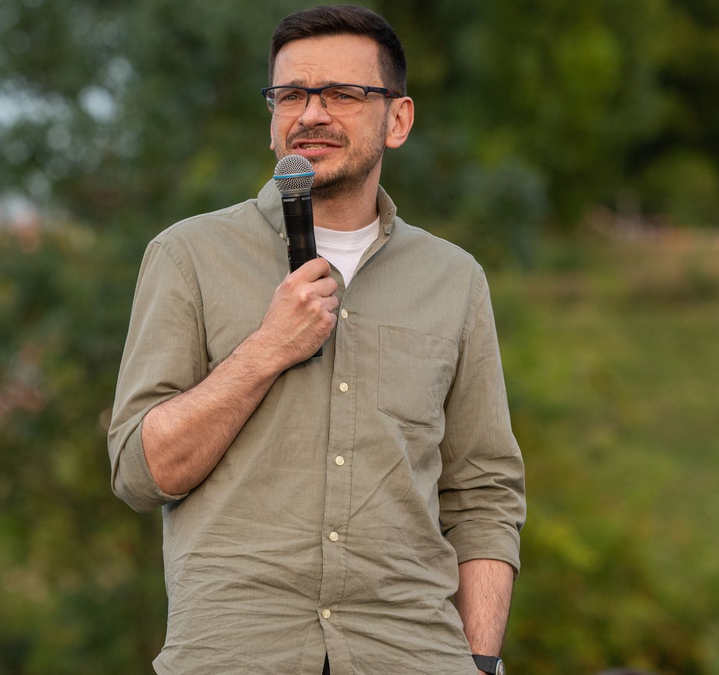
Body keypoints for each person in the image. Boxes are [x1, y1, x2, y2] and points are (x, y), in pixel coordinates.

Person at [107, 5, 525, 675]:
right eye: (292, 95)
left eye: (341, 94)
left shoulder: (454, 279)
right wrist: (268, 347)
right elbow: (140, 471)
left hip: (412, 654)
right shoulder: (188, 256)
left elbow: (484, 492)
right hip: (236, 655)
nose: (311, 114)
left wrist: (478, 661)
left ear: (398, 120)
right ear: (271, 118)